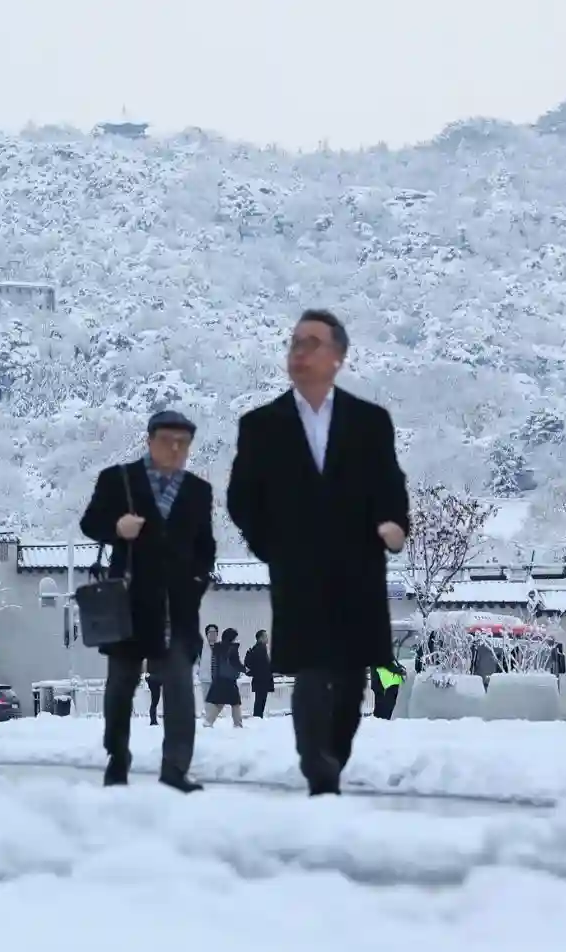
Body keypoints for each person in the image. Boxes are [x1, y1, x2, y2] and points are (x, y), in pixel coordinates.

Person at [228, 309, 409, 797]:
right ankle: (317, 767)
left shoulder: (370, 423)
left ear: (338, 357)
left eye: (311, 343)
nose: (299, 352)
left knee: (352, 679)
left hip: (359, 568)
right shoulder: (262, 425)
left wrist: (394, 526)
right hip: (298, 570)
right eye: (294, 343)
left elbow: (391, 486)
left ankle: (333, 759)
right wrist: (273, 548)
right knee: (310, 669)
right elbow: (241, 499)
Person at [80, 408, 215, 793]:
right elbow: (90, 524)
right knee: (121, 687)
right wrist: (116, 528)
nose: (175, 449)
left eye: (183, 443)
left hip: (177, 607)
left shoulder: (197, 491)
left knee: (178, 686)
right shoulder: (118, 480)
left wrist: (197, 582)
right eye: (167, 441)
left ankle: (175, 768)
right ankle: (117, 760)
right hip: (129, 602)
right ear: (150, 441)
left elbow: (206, 547)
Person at [204, 627, 245, 728]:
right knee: (235, 702)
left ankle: (209, 721)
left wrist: (214, 676)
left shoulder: (217, 648)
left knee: (219, 701)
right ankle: (238, 724)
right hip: (229, 679)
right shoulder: (232, 649)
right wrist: (245, 670)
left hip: (219, 679)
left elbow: (214, 664)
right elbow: (235, 663)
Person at [246, 630, 275, 718]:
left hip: (259, 680)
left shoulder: (258, 648)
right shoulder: (261, 649)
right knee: (260, 702)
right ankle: (257, 718)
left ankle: (258, 717)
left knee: (259, 701)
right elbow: (263, 666)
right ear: (261, 638)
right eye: (265, 636)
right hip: (262, 680)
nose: (267, 638)